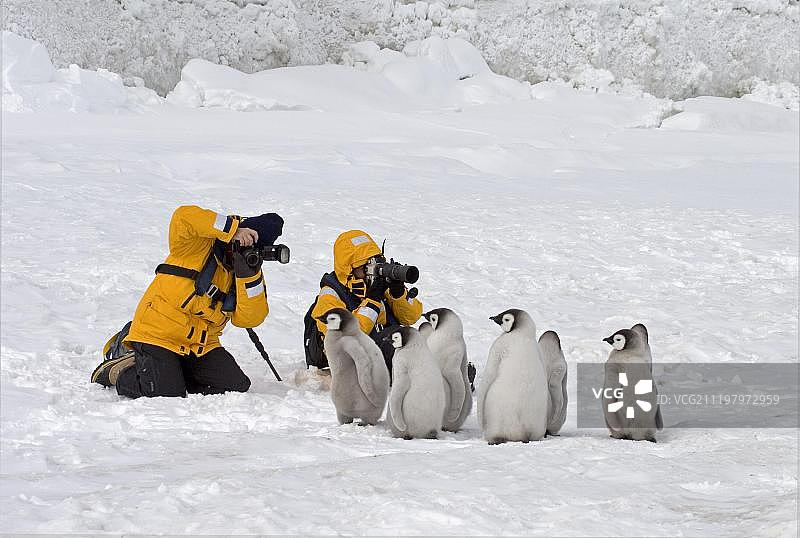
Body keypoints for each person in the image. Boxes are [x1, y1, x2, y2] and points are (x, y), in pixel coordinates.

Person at [91, 205, 284, 398]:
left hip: (200, 345)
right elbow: (183, 216)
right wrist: (233, 229)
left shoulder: (246, 271)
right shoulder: (195, 245)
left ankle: (167, 371)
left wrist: (248, 276)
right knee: (165, 394)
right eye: (245, 242)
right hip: (158, 334)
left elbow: (249, 320)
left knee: (235, 387)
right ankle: (119, 370)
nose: (248, 250)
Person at [304, 229, 423, 375]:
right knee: (401, 346)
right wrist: (372, 301)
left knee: (424, 339)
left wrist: (398, 293)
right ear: (349, 269)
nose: (370, 272)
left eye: (374, 265)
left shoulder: (375, 285)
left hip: (378, 348)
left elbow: (412, 317)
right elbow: (346, 337)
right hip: (350, 360)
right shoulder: (330, 296)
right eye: (365, 267)